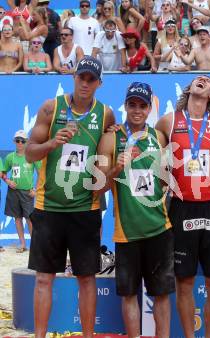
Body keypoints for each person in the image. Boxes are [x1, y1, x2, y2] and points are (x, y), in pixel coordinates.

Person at [25, 56, 115, 338]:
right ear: (73, 77)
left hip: (84, 207)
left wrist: (102, 177)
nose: (85, 83)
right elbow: (29, 153)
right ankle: (40, 336)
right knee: (43, 278)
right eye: (81, 77)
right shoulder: (51, 108)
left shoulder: (106, 114)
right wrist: (53, 142)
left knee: (87, 279)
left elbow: (105, 157)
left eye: (91, 79)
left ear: (99, 83)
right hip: (49, 205)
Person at [155, 75, 210, 338]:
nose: (202, 79)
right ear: (189, 89)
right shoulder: (169, 121)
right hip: (182, 206)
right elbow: (149, 153)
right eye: (197, 79)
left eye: (208, 80)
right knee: (184, 282)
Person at [96, 82, 174, 338]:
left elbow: (165, 181)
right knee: (129, 294)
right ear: (126, 105)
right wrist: (116, 169)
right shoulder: (111, 137)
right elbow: (97, 188)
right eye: (132, 105)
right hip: (127, 232)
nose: (137, 110)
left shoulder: (159, 137)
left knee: (160, 293)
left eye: (142, 105)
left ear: (150, 108)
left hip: (158, 228)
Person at [2, 130, 41, 253]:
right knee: (17, 218)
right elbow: (3, 172)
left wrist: (36, 189)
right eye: (17, 140)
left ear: (27, 142)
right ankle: (23, 244)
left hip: (27, 193)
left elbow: (42, 174)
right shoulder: (10, 157)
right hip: (13, 192)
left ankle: (35, 245)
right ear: (14, 141)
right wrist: (8, 181)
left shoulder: (31, 156)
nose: (20, 143)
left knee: (29, 218)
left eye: (22, 141)